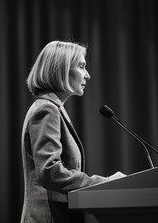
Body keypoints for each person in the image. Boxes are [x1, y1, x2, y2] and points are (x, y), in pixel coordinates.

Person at [20, 41, 125, 223]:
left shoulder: (53, 108)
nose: (88, 75)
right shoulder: (47, 110)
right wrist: (104, 182)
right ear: (61, 69)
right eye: (82, 66)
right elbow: (50, 171)